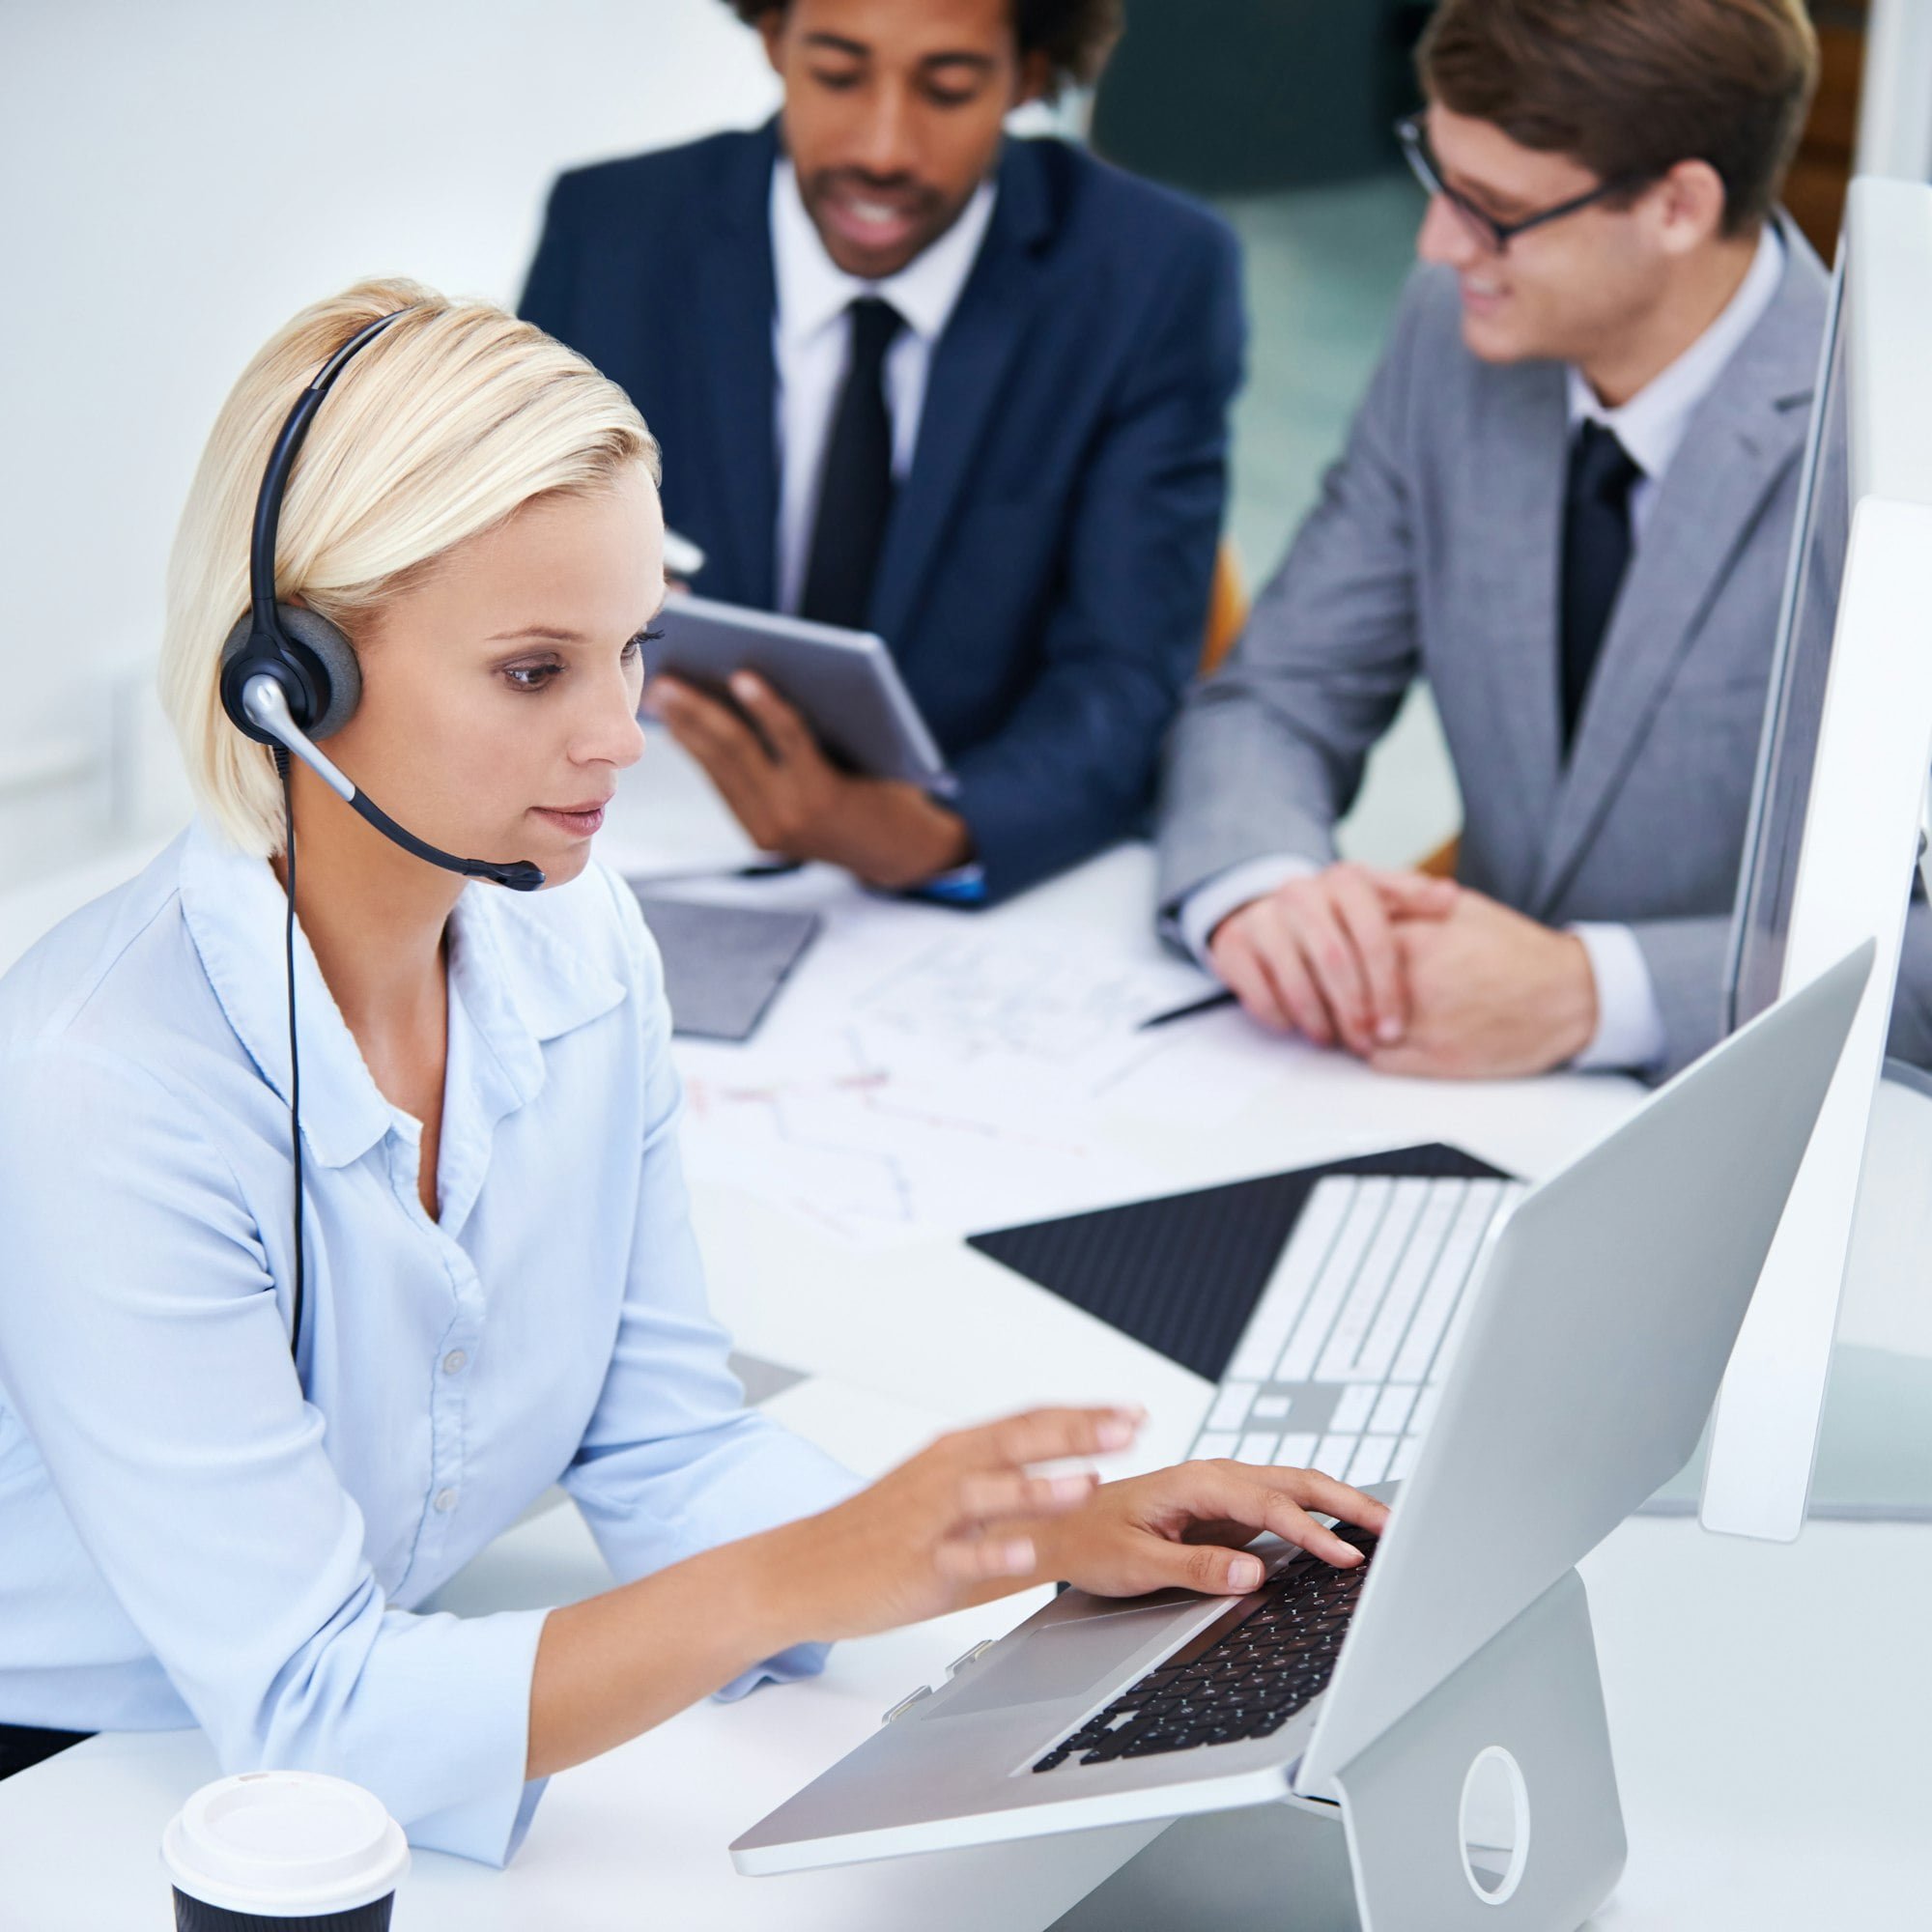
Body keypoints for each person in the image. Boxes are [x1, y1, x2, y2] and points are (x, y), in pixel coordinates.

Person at [0, 282, 1381, 1858]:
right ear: (294, 679)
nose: (622, 736)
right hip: (89, 1780)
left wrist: (1022, 1543)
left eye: (631, 649)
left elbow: (659, 1442)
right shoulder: (105, 1080)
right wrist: (818, 1574)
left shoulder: (578, 944)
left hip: (367, 1698)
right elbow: (314, 1713)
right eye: (536, 671)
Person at [1157, 0, 1902, 1083]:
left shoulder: (1886, 447)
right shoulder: (1446, 333)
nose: (1434, 242)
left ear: (1678, 206)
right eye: (1436, 173)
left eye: (1493, 210)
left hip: (1757, 1132)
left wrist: (1594, 992)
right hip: (1457, 1096)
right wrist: (1263, 888)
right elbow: (1278, 691)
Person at [520, 0, 1244, 904]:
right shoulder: (613, 232)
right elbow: (513, 581)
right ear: (775, 38)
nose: (883, 150)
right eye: (837, 74)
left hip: (959, 874)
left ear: (1028, 75)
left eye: (947, 88)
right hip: (637, 834)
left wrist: (937, 836)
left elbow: (1128, 674)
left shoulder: (1155, 278)